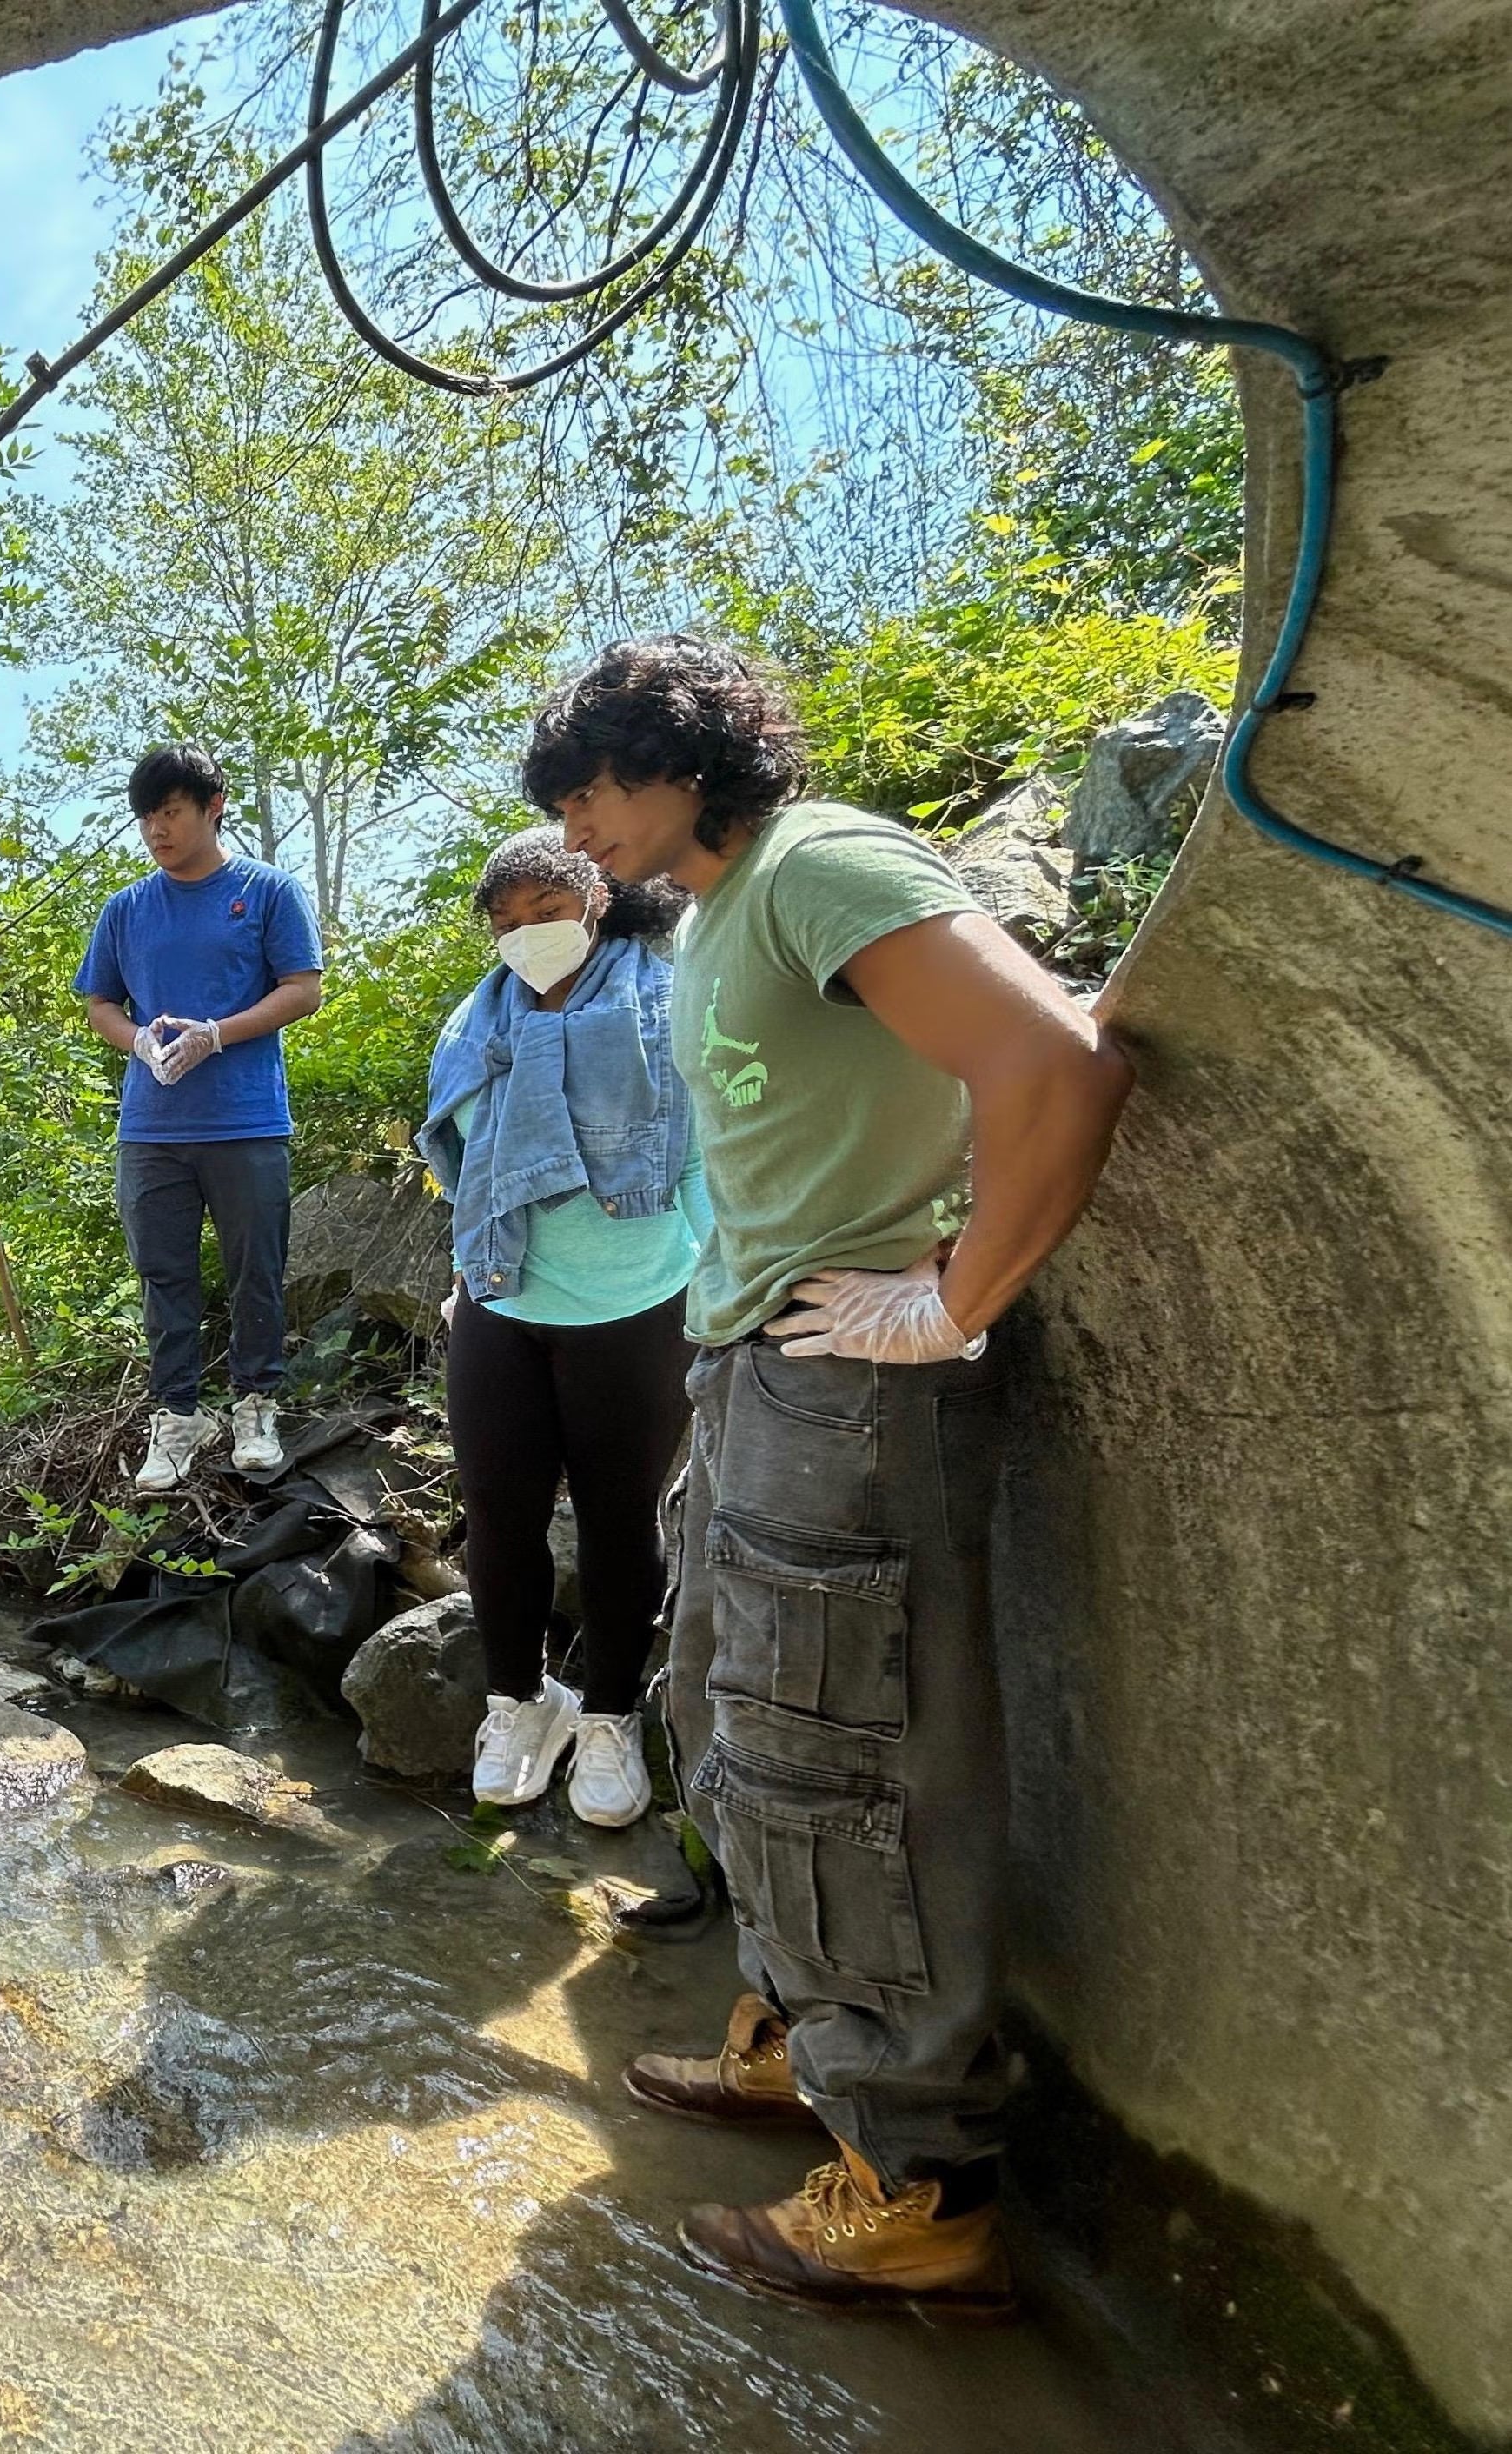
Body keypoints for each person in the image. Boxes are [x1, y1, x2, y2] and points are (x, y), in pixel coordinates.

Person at [528, 635, 1133, 2318]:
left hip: (849, 1382)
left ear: (672, 755)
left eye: (584, 786)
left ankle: (916, 2181)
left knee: (855, 1757)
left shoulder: (817, 862)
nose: (573, 827)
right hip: (751, 1367)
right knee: (735, 1719)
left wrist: (948, 1301)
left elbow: (1057, 1062)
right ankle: (806, 2034)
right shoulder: (713, 916)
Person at [423, 826, 705, 1830]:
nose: (527, 934)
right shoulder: (475, 1020)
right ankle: (518, 1702)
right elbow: (461, 1156)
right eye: (506, 922)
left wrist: (712, 1273)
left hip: (635, 1303)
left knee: (616, 1519)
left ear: (600, 899)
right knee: (497, 1515)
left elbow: (702, 1150)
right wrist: (467, 1270)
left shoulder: (666, 1001)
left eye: (546, 909)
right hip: (499, 1302)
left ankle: (611, 1716)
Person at [75, 744, 327, 1491]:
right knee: (164, 1275)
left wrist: (218, 1033)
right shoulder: (126, 909)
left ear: (213, 808)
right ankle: (177, 1418)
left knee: (257, 1269)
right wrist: (141, 1042)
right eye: (147, 817)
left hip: (246, 1120)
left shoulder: (268, 891)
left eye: (172, 813)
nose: (157, 830)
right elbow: (99, 1004)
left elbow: (303, 989)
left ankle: (256, 1406)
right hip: (151, 1128)